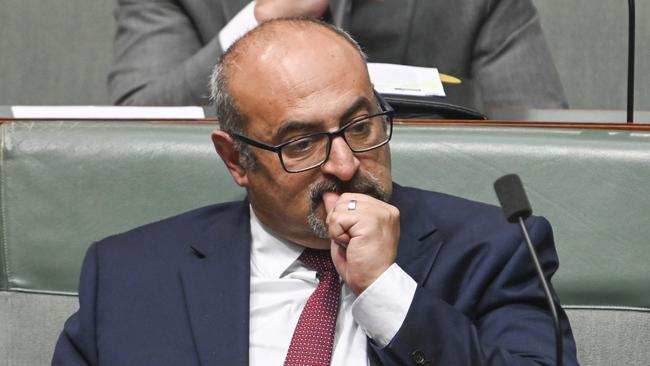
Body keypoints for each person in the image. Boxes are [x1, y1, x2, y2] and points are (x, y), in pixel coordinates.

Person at [55, 18, 578, 365]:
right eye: (302, 143)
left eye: (361, 125)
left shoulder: (497, 249)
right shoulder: (129, 273)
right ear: (236, 159)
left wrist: (385, 291)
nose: (348, 164)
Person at [109, 0, 568, 109]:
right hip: (233, 233)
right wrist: (258, 21)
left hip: (425, 238)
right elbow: (136, 124)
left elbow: (539, 142)